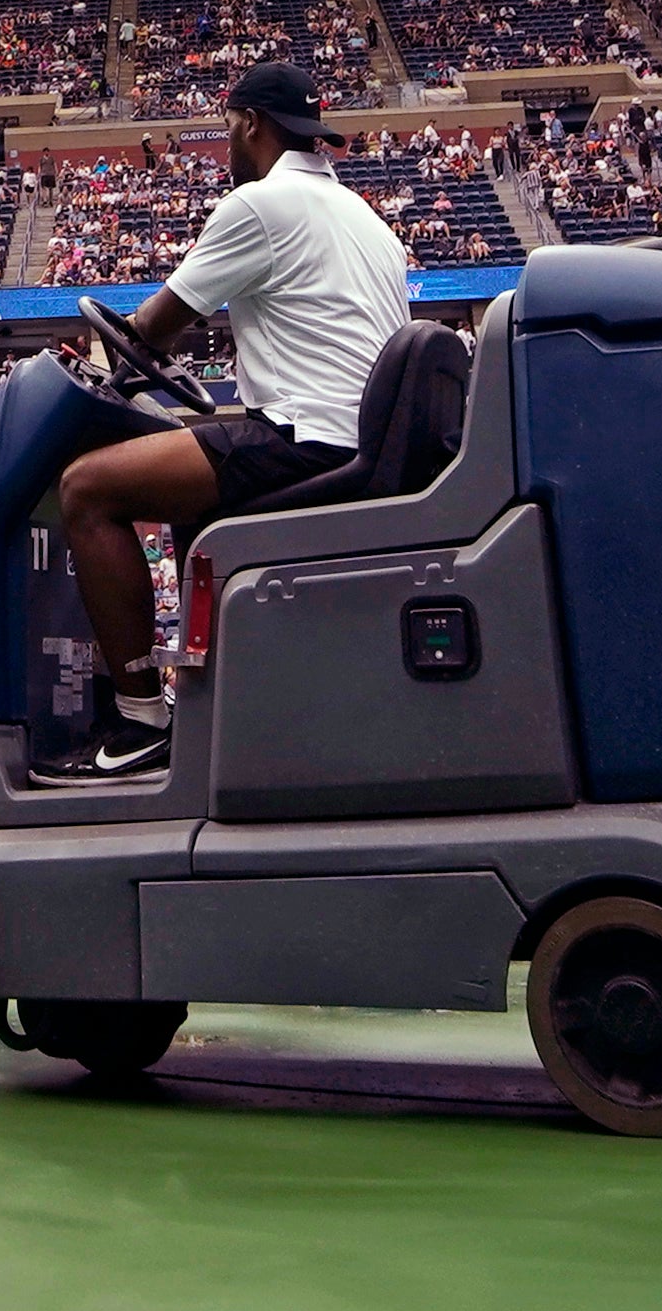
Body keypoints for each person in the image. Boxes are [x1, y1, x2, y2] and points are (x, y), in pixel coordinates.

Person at [48, 60, 408, 775]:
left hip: (308, 439)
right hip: (364, 442)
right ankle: (209, 699)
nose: (225, 146)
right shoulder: (365, 218)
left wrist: (118, 359)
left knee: (87, 488)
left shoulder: (260, 206)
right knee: (188, 480)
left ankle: (140, 721)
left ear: (250, 124)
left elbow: (151, 325)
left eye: (227, 129)